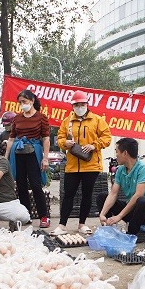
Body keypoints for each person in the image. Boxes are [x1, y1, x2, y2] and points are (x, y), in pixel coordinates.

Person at [53, 90, 111, 235]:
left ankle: (82, 224)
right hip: (72, 165)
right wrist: (65, 143)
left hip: (91, 164)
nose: (80, 107)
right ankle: (62, 225)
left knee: (87, 194)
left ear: (87, 104)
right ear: (72, 106)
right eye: (76, 104)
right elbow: (59, 139)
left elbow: (107, 138)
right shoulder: (67, 122)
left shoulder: (97, 120)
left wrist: (94, 145)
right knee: (68, 194)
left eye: (82, 104)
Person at [96, 138, 145, 238]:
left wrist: (119, 216)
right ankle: (109, 228)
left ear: (125, 153)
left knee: (141, 201)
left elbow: (138, 195)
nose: (116, 155)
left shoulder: (144, 169)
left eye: (117, 152)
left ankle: (131, 235)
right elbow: (113, 194)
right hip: (133, 211)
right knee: (102, 196)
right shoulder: (121, 170)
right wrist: (102, 214)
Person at [4, 90, 51, 228]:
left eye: (24, 102)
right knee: (21, 185)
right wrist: (5, 158)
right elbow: (11, 139)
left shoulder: (41, 117)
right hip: (18, 154)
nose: (22, 104)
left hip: (34, 153)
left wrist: (45, 158)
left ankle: (44, 216)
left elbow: (46, 139)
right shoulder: (17, 119)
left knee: (36, 185)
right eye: (20, 102)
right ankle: (26, 215)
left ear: (32, 100)